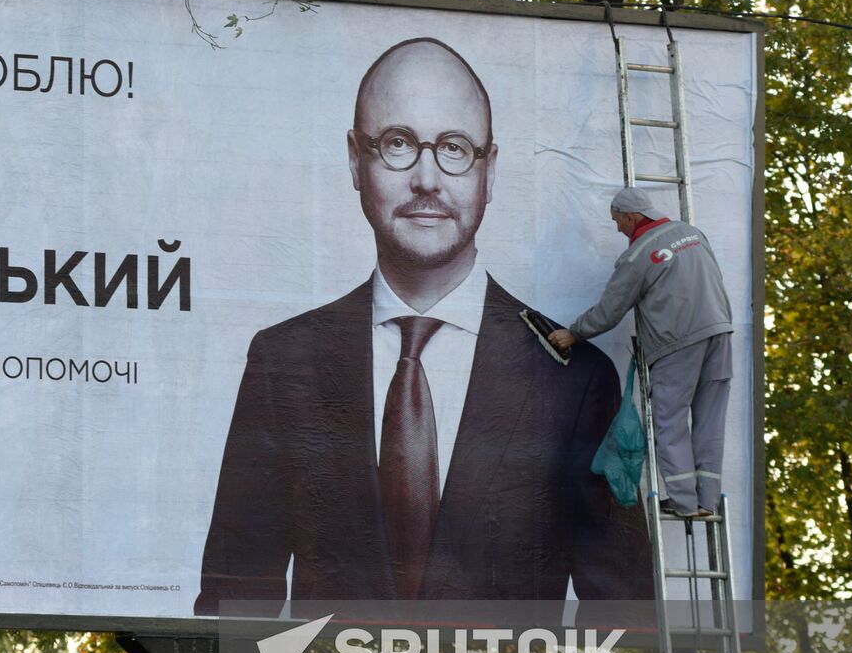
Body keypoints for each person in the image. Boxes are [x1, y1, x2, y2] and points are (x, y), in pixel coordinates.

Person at [194, 37, 652, 616]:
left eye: (456, 148)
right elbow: (235, 592)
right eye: (397, 144)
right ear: (356, 161)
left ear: (490, 171)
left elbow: (623, 607)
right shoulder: (283, 360)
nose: (428, 179)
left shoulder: (575, 378)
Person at [548, 188, 733, 520]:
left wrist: (574, 333)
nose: (618, 228)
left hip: (677, 341)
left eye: (617, 221)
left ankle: (684, 503)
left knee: (670, 422)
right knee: (710, 420)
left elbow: (610, 311)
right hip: (719, 332)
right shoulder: (692, 234)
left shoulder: (638, 256)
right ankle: (707, 501)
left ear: (631, 217)